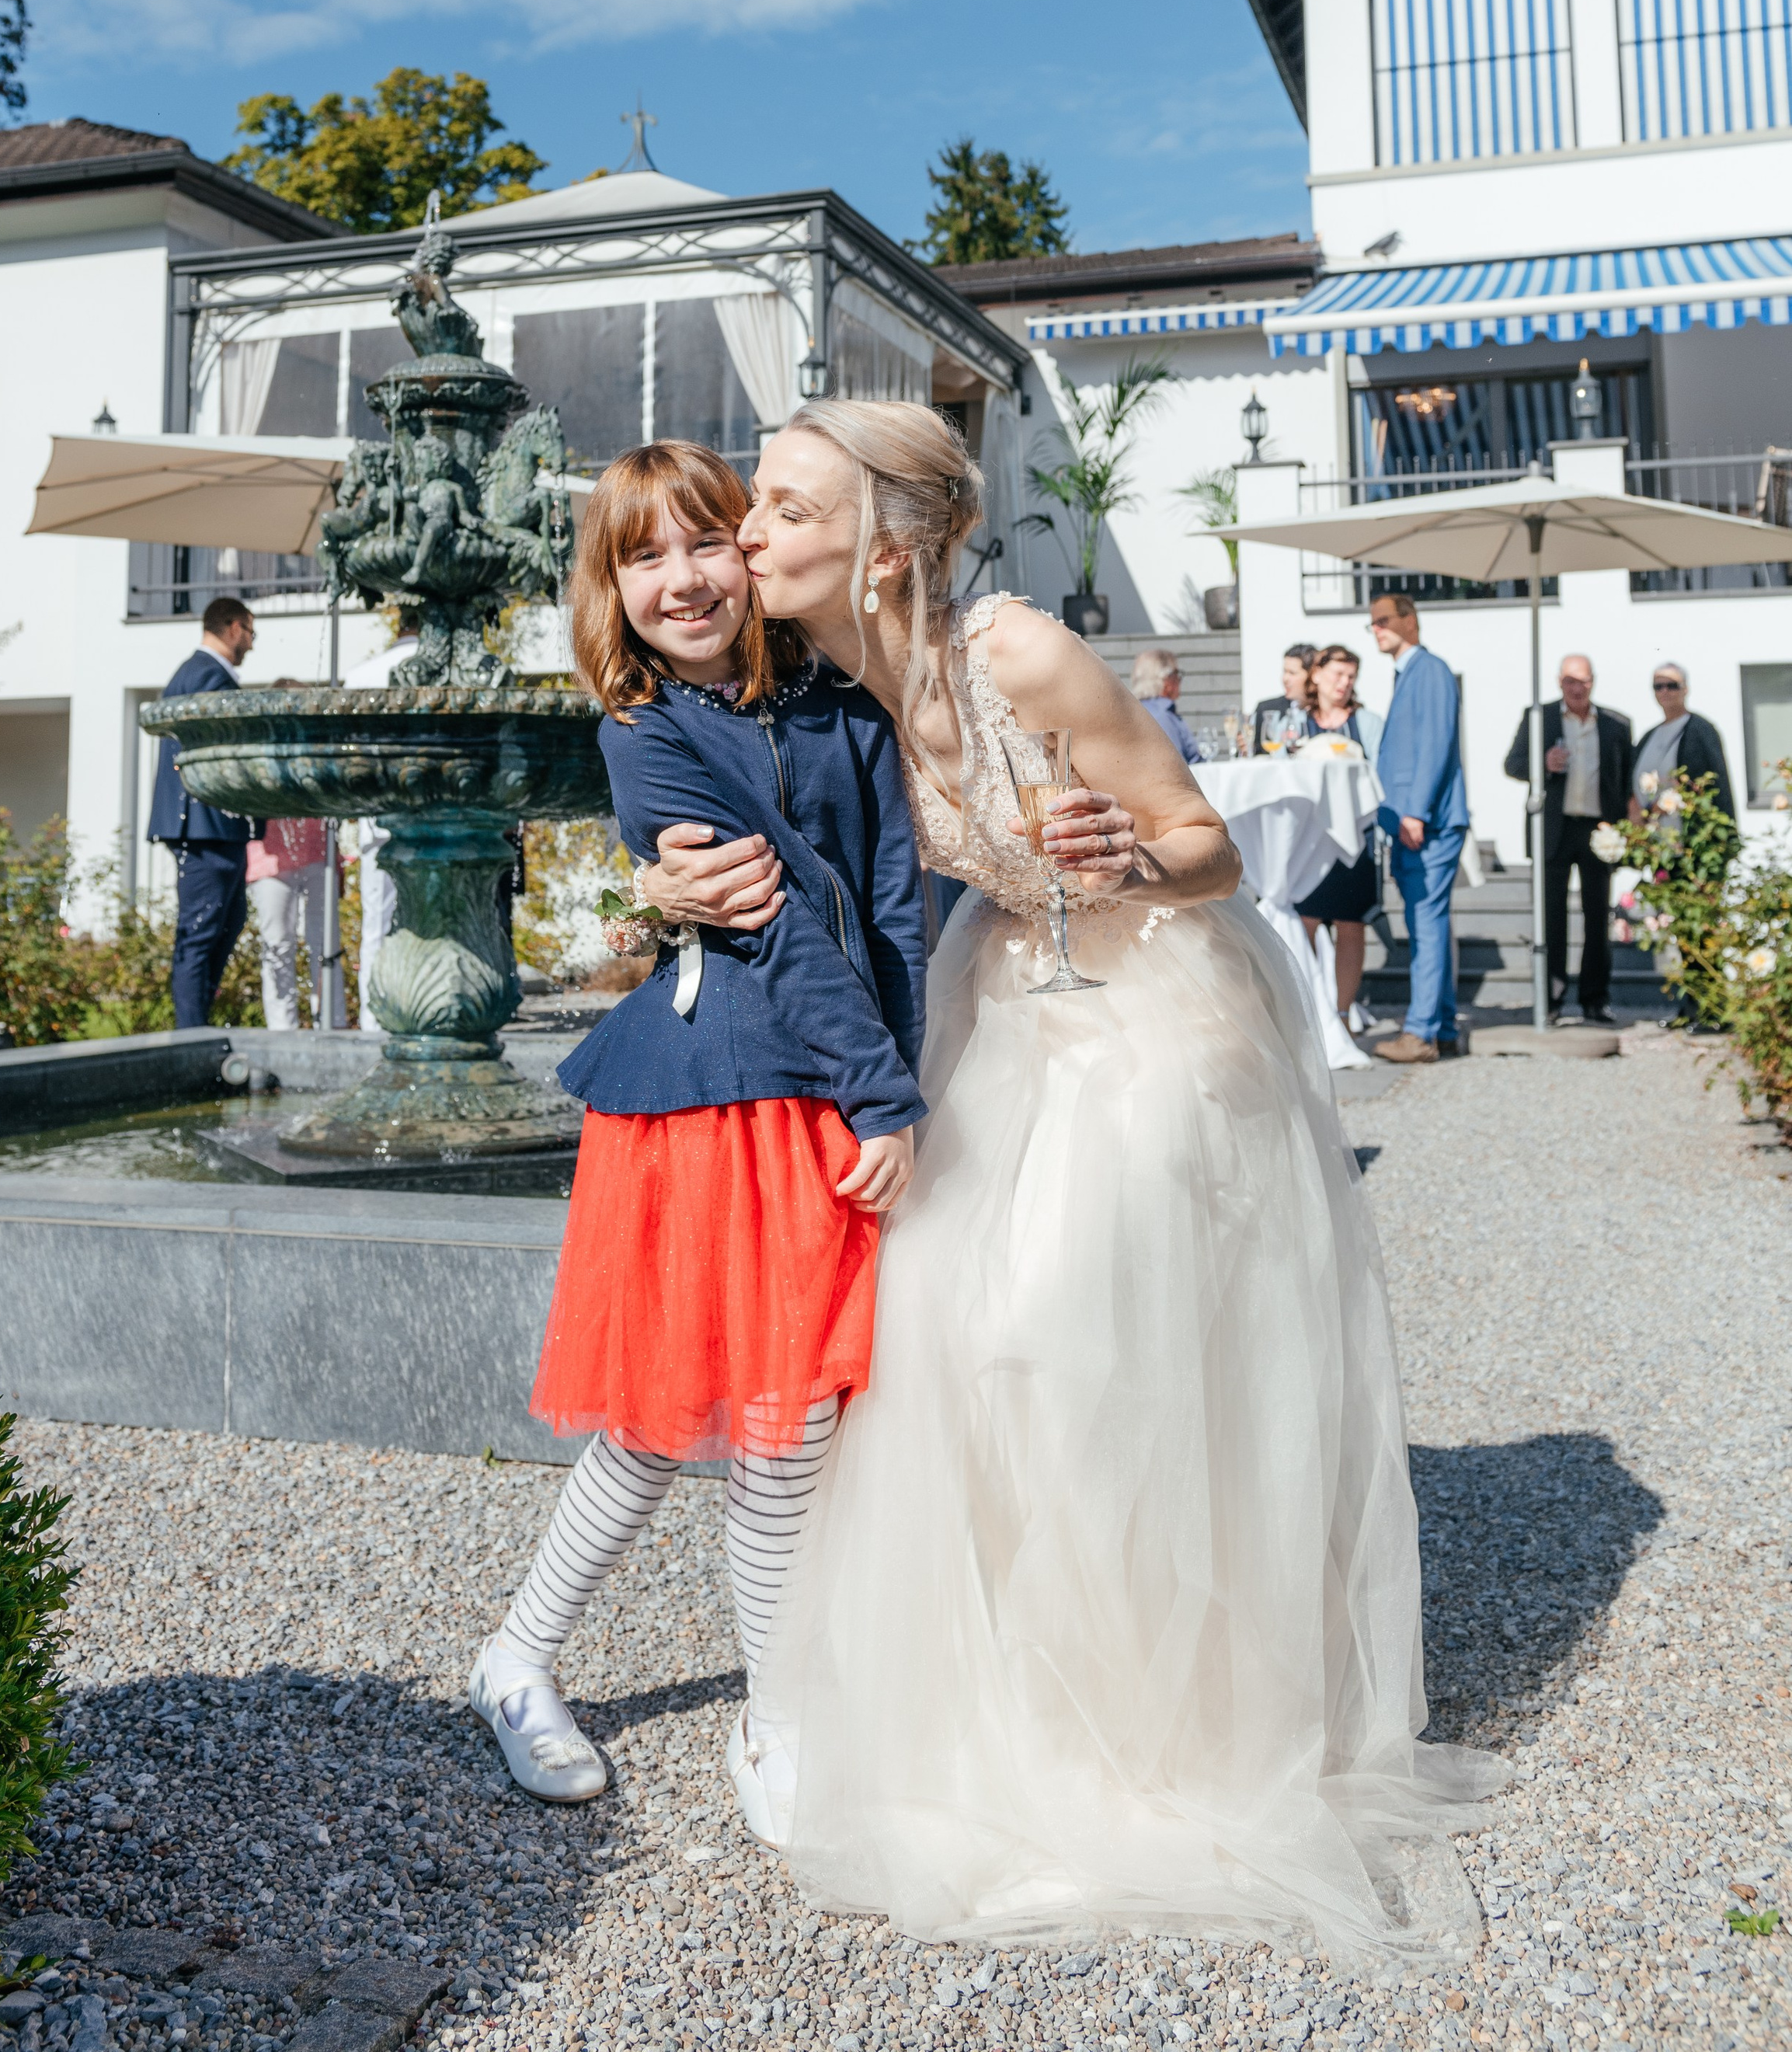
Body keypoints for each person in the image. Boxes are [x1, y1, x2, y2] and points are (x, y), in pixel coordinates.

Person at [646, 403, 1496, 1957]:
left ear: (883, 540)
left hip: (1157, 1015)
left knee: (1072, 1333)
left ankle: (1182, 1726)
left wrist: (1122, 856)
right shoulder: (825, 682)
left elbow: (1215, 856)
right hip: (1001, 1006)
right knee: (956, 1349)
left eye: (776, 507)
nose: (743, 533)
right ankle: (1031, 1707)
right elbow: (682, 761)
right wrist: (656, 881)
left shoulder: (1018, 650)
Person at [469, 441, 927, 1826]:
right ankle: (530, 1662)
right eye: (641, 556)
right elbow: (775, 914)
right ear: (609, 586)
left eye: (704, 542)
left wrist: (907, 1080)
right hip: (715, 1099)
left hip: (830, 1091)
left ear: (754, 551)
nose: (680, 579)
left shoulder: (851, 707)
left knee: (792, 1424)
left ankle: (771, 1705)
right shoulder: (647, 731)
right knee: (670, 1421)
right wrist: (887, 1096)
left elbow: (897, 904)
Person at [147, 597, 260, 1029]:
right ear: (233, 628)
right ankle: (191, 1037)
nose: (252, 642)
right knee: (201, 933)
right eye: (251, 631)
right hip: (205, 826)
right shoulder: (209, 676)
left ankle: (196, 1029)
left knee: (222, 924)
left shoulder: (196, 673)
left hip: (208, 826)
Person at [1366, 591, 1469, 1067]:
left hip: (1425, 822)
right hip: (1415, 821)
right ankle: (1442, 1028)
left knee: (1426, 926)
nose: (1377, 629)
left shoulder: (1429, 670)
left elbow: (1435, 744)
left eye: (1384, 620)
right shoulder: (1412, 673)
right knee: (1429, 923)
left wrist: (1416, 812)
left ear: (1411, 620)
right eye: (1373, 623)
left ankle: (1422, 1032)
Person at [1501, 654, 1633, 1027]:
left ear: (1594, 682)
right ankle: (1552, 999)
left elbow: (1625, 781)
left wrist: (1624, 829)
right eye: (1570, 681)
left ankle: (1595, 999)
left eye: (1584, 681)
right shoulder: (1538, 717)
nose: (1577, 688)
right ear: (1560, 682)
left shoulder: (1615, 724)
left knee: (1596, 918)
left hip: (1598, 832)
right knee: (1551, 918)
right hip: (1554, 832)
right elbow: (1512, 764)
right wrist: (1542, 763)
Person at [1298, 641, 1380, 1026]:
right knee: (1305, 923)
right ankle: (1310, 1011)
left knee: (1352, 924)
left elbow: (1379, 779)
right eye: (1337, 674)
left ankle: (1343, 1014)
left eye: (1351, 677)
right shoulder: (1295, 723)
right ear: (1316, 675)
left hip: (1355, 842)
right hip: (1306, 842)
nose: (1344, 683)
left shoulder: (1367, 724)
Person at [345, 618, 420, 1031]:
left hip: (377, 819)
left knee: (376, 922)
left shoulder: (359, 676)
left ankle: (372, 1020)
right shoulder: (446, 670)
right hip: (439, 815)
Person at [245, 817, 348, 1029]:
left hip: (321, 849)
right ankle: (281, 1028)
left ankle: (333, 1023)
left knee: (327, 943)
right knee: (276, 944)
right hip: (269, 855)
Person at [1630, 660, 1738, 827]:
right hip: (1651, 840)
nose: (1664, 691)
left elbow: (1718, 784)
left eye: (1672, 685)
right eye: (1658, 686)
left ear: (1685, 689)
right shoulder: (1648, 737)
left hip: (1688, 837)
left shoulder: (1701, 731)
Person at [1129, 645, 1203, 762]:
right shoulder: (1162, 716)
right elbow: (1177, 767)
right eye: (1177, 673)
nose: (1179, 679)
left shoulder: (1136, 711)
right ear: (1166, 678)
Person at [1251, 641, 1320, 754]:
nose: (1285, 679)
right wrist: (1247, 748)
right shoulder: (1266, 709)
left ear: (1313, 676)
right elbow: (1257, 754)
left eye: (1292, 673)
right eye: (1285, 671)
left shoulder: (1325, 713)